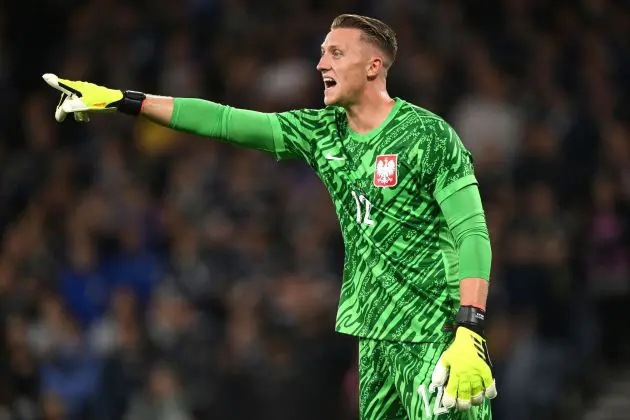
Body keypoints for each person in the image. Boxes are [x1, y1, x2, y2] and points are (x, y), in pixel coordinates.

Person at [43, 14, 496, 420]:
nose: (321, 65)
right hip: (374, 341)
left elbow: (472, 230)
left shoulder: (428, 135)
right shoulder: (322, 132)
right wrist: (124, 100)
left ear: (373, 66)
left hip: (437, 338)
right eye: (321, 53)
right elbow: (223, 121)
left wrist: (469, 330)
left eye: (335, 53)